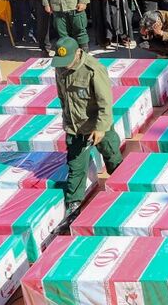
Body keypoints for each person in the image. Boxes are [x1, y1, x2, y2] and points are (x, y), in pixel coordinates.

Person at [52, 36, 122, 219]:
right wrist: (67, 121)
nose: (64, 65)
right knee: (75, 168)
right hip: (75, 128)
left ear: (78, 53)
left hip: (98, 125)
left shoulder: (93, 69)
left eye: (67, 61)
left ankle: (123, 196)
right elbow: (62, 96)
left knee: (113, 159)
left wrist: (101, 128)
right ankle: (73, 209)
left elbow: (105, 103)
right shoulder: (60, 67)